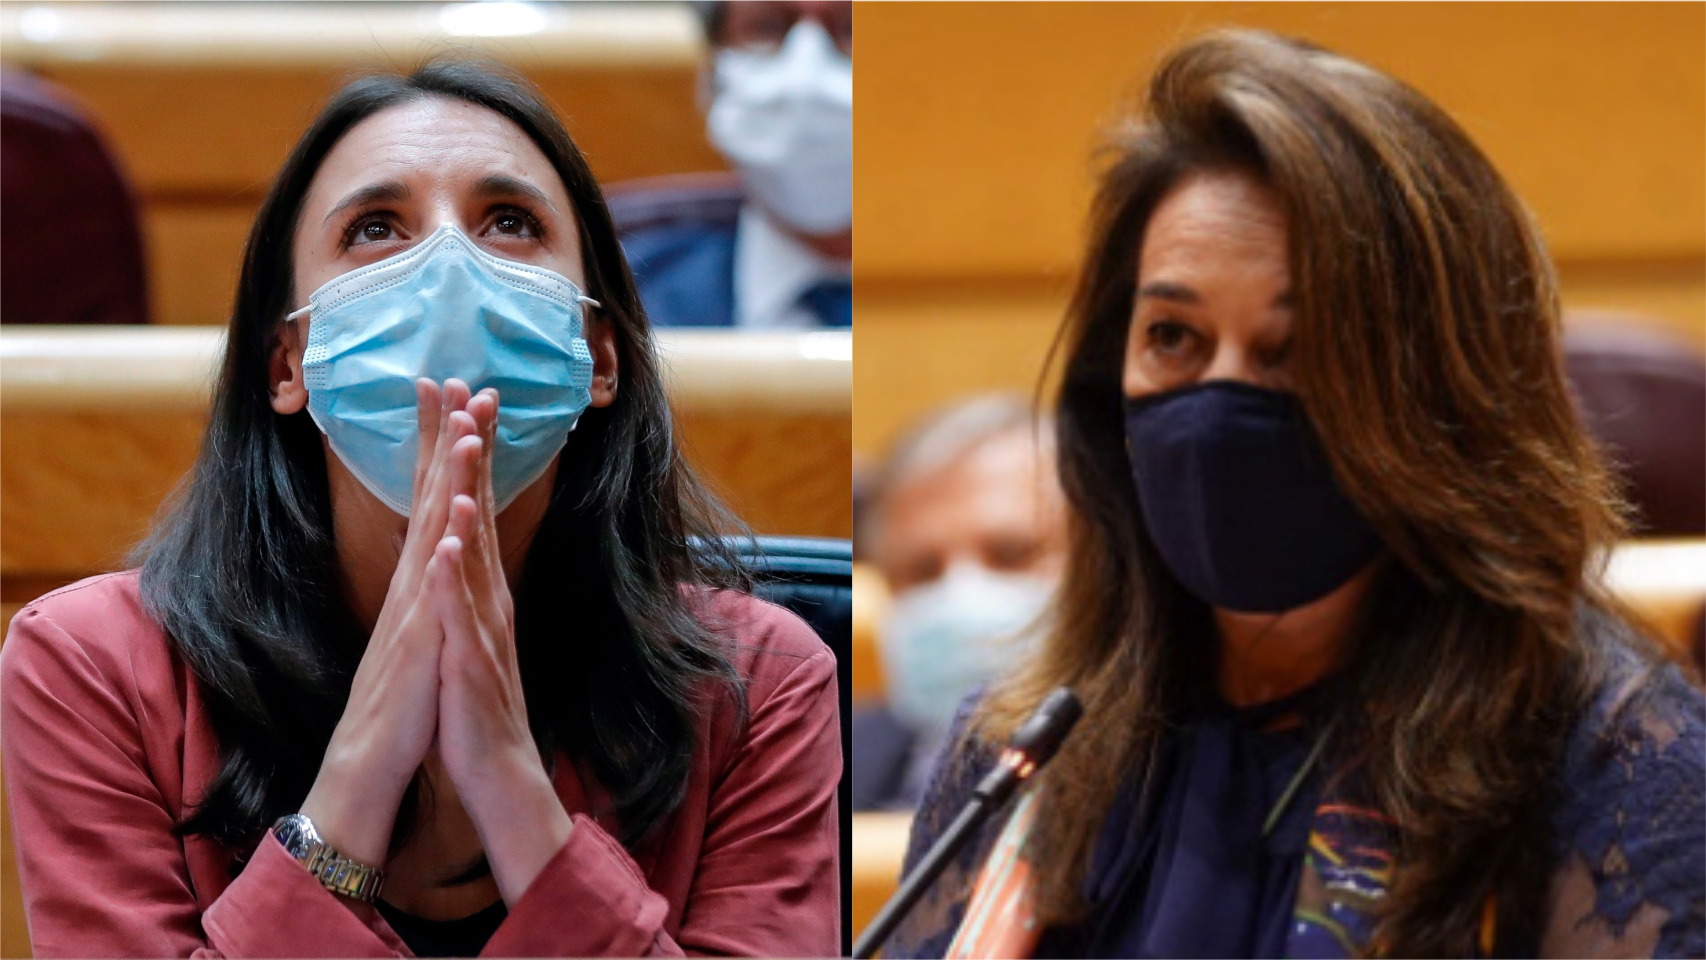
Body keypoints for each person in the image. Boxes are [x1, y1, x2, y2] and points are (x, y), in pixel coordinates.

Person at [883, 30, 1705, 960]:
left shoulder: (1609, 765)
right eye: (1173, 337)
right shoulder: (1022, 751)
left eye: (1295, 350)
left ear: (1437, 396)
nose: (1220, 400)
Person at [0, 58, 840, 958]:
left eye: (509, 223)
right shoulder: (91, 669)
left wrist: (516, 798)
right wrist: (359, 776)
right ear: (286, 363)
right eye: (374, 229)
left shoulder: (762, 683)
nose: (448, 268)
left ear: (599, 356)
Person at [853, 394, 1066, 811]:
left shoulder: (1182, 767)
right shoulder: (836, 749)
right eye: (923, 570)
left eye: (1011, 554)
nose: (961, 591)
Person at [616, 1, 852, 329]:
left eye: (853, 30)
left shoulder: (948, 309)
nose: (805, 76)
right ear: (710, 76)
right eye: (767, 28)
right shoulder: (619, 303)